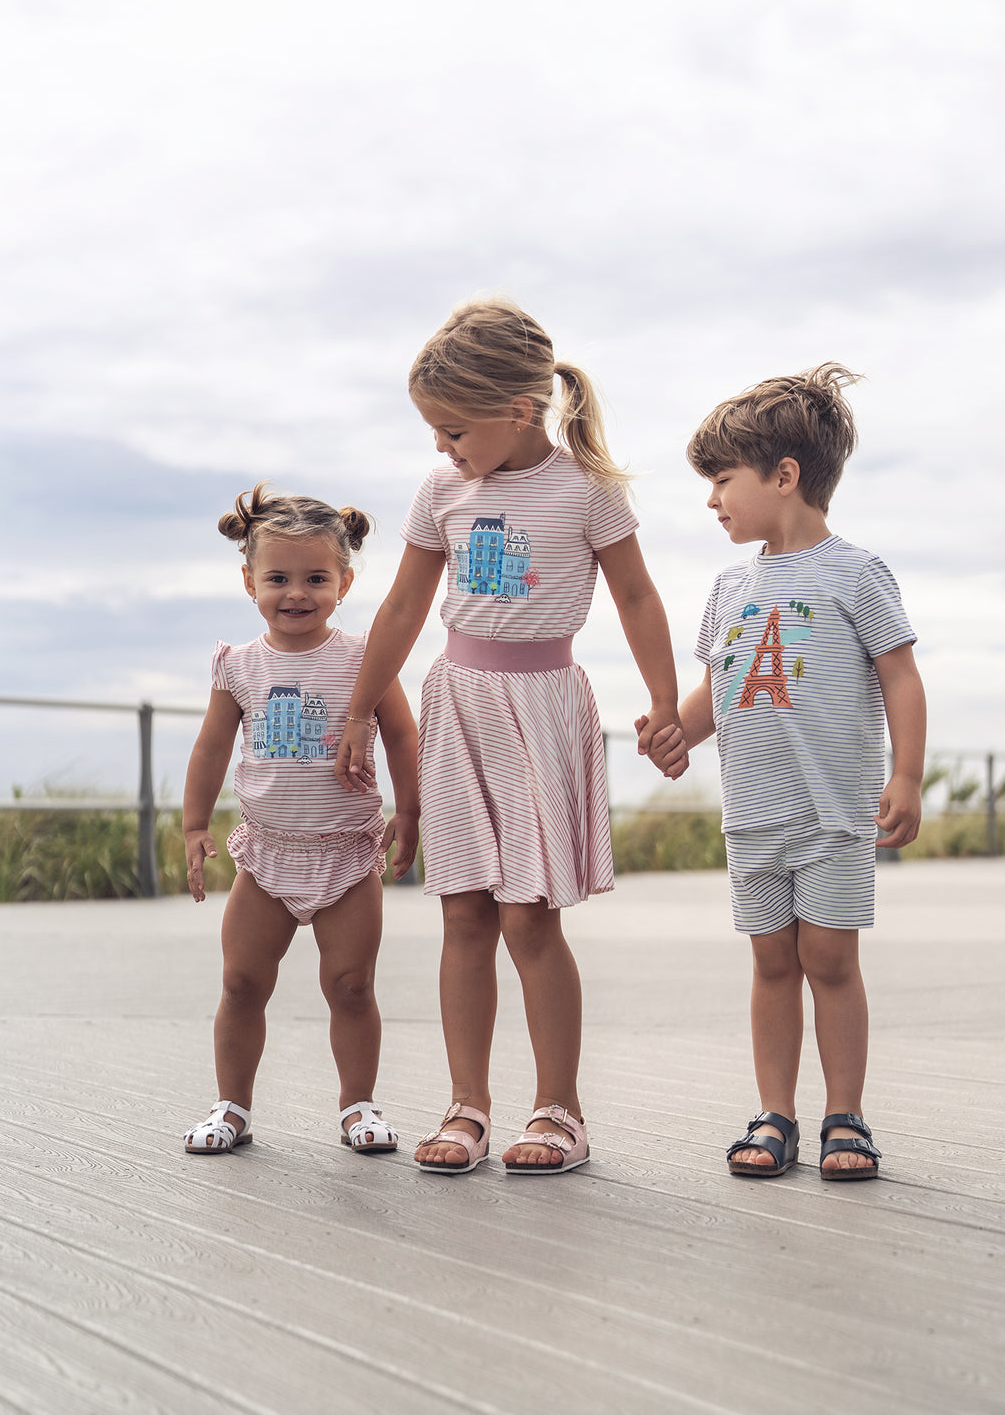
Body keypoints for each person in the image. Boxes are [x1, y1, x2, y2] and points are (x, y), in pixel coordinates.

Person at [334, 297, 686, 1175]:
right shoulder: (442, 491)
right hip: (459, 703)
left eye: (454, 429)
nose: (443, 448)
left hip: (542, 706)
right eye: (434, 431)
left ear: (519, 410)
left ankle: (558, 1109)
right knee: (464, 913)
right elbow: (406, 605)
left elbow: (638, 596)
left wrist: (665, 699)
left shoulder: (586, 488)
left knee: (529, 919)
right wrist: (357, 708)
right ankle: (467, 1106)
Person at [644, 364, 925, 1181]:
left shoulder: (857, 573)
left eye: (723, 480)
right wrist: (677, 735)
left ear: (785, 476)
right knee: (771, 964)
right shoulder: (730, 586)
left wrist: (905, 777)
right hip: (754, 817)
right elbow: (717, 685)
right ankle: (776, 1114)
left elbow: (900, 675)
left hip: (833, 814)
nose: (712, 500)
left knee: (831, 962)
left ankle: (846, 1117)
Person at [182, 484, 418, 1157]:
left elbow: (402, 736)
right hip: (266, 855)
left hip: (346, 856)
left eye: (316, 578)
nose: (296, 593)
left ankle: (358, 1104)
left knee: (351, 985)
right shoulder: (239, 666)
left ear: (344, 581)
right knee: (241, 982)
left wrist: (411, 809)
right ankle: (232, 1105)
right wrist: (196, 824)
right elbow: (211, 746)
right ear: (249, 580)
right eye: (277, 578)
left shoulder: (365, 659)